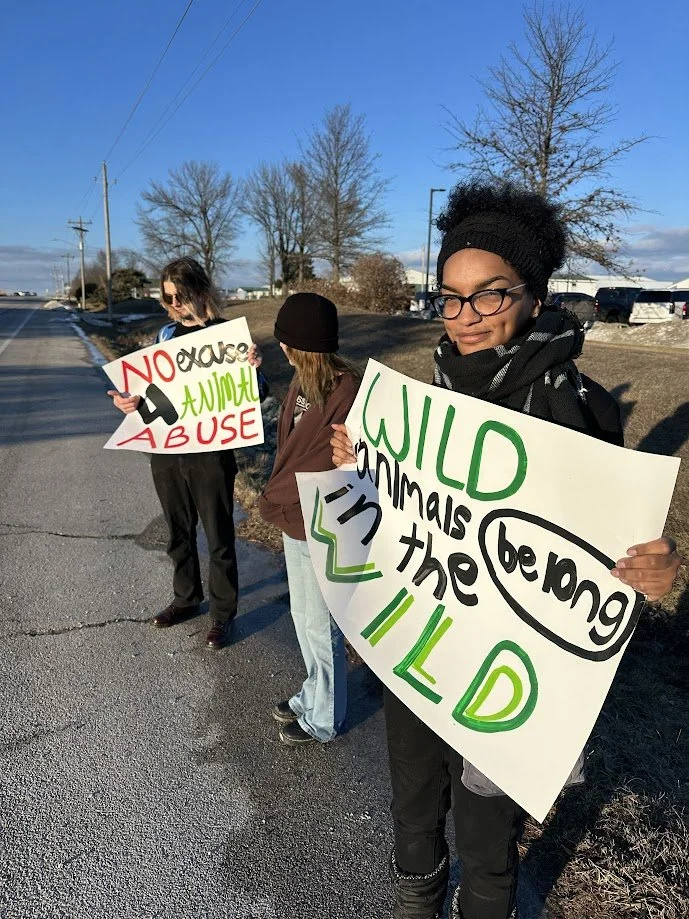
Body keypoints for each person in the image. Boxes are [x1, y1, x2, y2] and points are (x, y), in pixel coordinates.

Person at [330, 182, 682, 919]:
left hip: (505, 675)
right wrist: (361, 462)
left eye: (488, 295)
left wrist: (656, 560)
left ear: (533, 293)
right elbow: (403, 513)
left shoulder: (579, 405)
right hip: (418, 646)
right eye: (450, 297)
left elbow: (606, 538)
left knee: (488, 830)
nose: (464, 317)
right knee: (413, 795)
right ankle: (415, 897)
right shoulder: (420, 394)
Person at [107, 256, 266, 650]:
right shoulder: (165, 336)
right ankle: (186, 598)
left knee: (218, 535)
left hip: (211, 452)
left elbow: (256, 394)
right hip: (167, 449)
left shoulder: (228, 336)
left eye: (180, 297)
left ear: (200, 292)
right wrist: (128, 403)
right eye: (167, 299)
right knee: (178, 531)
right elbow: (148, 392)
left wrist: (252, 370)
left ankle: (223, 615)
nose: (174, 306)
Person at [258, 292, 360, 746]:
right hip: (294, 516)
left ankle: (324, 717)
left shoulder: (348, 391)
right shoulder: (302, 385)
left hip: (323, 521)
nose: (281, 349)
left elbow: (361, 461)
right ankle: (312, 693)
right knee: (303, 617)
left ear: (296, 346)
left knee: (321, 624)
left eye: (284, 341)